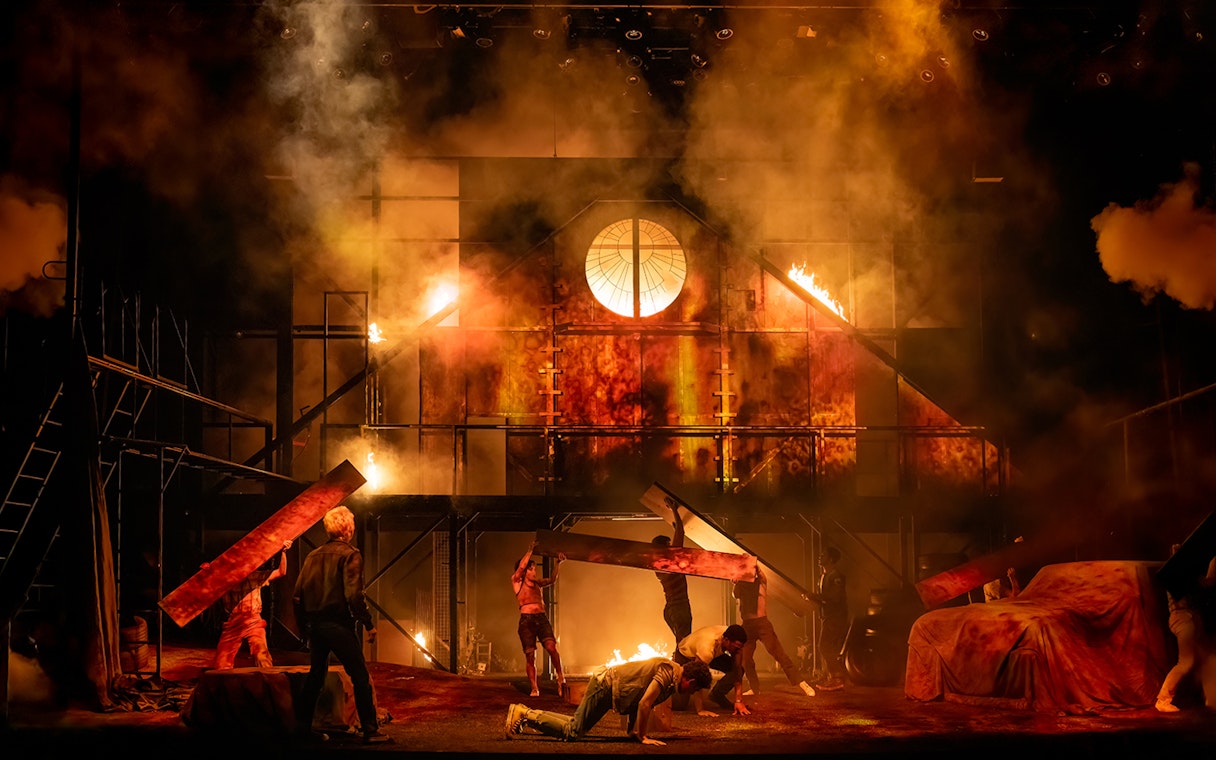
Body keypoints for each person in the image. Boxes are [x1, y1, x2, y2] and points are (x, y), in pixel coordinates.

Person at [292, 505, 390, 744]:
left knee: (316, 676)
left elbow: (297, 596)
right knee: (359, 675)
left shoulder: (312, 556)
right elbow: (354, 595)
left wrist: (304, 628)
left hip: (316, 626)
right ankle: (370, 730)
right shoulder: (350, 555)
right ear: (348, 528)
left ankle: (302, 729)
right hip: (338, 624)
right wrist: (368, 624)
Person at [504, 657, 712, 745]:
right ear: (691, 681)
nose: (691, 693)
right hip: (605, 685)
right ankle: (526, 715)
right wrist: (642, 736)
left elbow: (637, 695)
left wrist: (632, 731)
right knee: (573, 732)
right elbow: (644, 703)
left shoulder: (672, 678)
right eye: (694, 689)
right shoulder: (668, 673)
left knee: (574, 726)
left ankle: (525, 712)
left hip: (608, 686)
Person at [733, 566, 816, 698]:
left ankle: (802, 683)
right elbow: (735, 594)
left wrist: (750, 564)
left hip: (762, 624)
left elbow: (761, 574)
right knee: (745, 659)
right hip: (747, 626)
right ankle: (755, 688)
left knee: (778, 654)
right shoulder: (741, 586)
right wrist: (737, 579)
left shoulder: (760, 583)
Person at [209, 539, 292, 670]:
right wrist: (207, 573)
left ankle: (268, 683)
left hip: (253, 620)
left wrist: (283, 552)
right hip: (233, 623)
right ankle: (224, 687)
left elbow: (281, 572)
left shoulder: (255, 576)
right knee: (221, 663)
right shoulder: (224, 580)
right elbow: (206, 586)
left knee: (262, 656)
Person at [1155, 545, 1216, 713]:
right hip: (1182, 618)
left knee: (1208, 656)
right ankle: (1162, 699)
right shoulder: (1175, 576)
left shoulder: (1182, 574)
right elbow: (1206, 583)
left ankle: (1212, 698)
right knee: (1186, 662)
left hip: (1189, 617)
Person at [512, 540, 567, 697]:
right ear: (524, 571)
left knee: (551, 648)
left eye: (534, 569)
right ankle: (534, 687)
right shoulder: (517, 582)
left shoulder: (537, 584)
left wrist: (558, 563)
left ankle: (561, 677)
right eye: (531, 569)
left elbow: (552, 580)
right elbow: (521, 567)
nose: (534, 572)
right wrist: (529, 551)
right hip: (526, 621)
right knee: (530, 655)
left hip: (541, 618)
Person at [672, 623, 750, 715]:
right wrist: (700, 709)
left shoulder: (732, 638)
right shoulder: (707, 648)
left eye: (740, 648)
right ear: (726, 640)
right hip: (685, 655)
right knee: (680, 705)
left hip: (714, 654)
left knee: (738, 669)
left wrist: (738, 700)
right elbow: (696, 676)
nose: (738, 650)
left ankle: (716, 695)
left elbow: (737, 670)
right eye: (736, 648)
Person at [652, 503, 693, 647]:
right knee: (684, 644)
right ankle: (682, 668)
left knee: (681, 642)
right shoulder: (670, 561)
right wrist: (674, 509)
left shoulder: (657, 565)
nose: (671, 547)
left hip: (670, 609)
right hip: (679, 608)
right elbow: (681, 533)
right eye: (669, 545)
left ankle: (680, 665)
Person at [810, 547, 847, 691]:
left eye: (823, 554)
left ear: (831, 559)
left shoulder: (836, 576)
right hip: (828, 616)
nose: (820, 557)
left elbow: (835, 598)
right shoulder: (824, 576)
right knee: (825, 646)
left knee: (825, 646)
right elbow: (825, 599)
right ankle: (829, 676)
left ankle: (837, 678)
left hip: (836, 617)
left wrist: (815, 596)